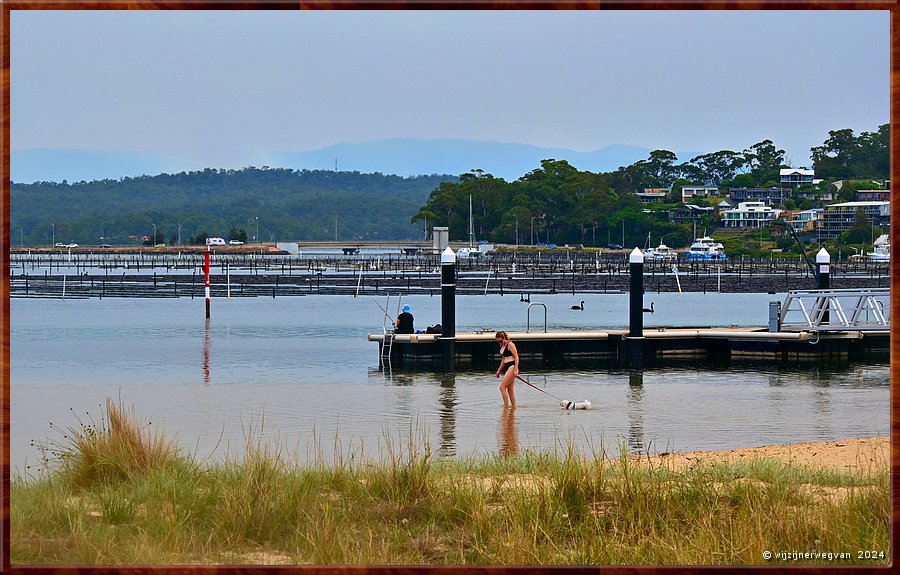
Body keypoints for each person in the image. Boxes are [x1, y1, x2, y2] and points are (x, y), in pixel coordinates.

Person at [494, 331, 518, 407]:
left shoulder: (510, 344)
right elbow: (503, 360)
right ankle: (513, 407)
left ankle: (506, 407)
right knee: (510, 390)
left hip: (512, 367)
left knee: (502, 387)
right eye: (498, 342)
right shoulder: (502, 347)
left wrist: (515, 370)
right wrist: (498, 370)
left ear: (504, 338)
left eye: (500, 341)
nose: (500, 343)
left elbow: (516, 357)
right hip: (508, 367)